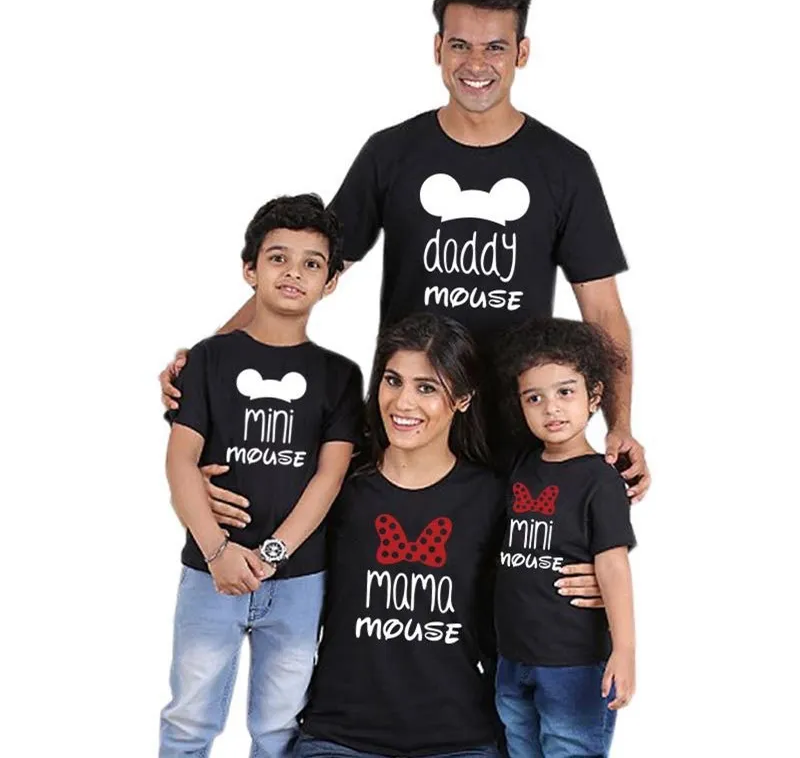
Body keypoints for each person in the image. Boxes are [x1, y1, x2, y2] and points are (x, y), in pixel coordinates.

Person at [159, 0, 647, 599]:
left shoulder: (563, 167)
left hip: (514, 426)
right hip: (404, 418)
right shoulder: (393, 153)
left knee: (505, 602)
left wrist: (619, 424)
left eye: (496, 46)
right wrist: (212, 359)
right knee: (380, 585)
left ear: (522, 53)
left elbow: (602, 310)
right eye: (460, 45)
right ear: (437, 49)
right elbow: (305, 270)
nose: (477, 63)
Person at [159, 194, 363, 758]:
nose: (293, 272)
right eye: (278, 258)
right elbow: (181, 460)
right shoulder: (208, 359)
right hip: (208, 572)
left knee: (279, 725)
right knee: (189, 718)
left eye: (311, 263)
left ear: (330, 282)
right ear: (250, 270)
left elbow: (329, 477)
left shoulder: (340, 376)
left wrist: (273, 554)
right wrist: (218, 550)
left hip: (298, 579)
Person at [296, 313, 505, 758]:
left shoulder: (491, 496)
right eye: (393, 381)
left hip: (459, 740)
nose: (402, 402)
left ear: (463, 398)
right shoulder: (337, 485)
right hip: (339, 737)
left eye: (426, 388)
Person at [493, 318, 636, 758]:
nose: (551, 409)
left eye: (565, 392)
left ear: (594, 396)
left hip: (574, 664)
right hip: (512, 659)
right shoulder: (521, 467)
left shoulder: (600, 480)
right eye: (534, 398)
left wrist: (625, 650)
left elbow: (613, 565)